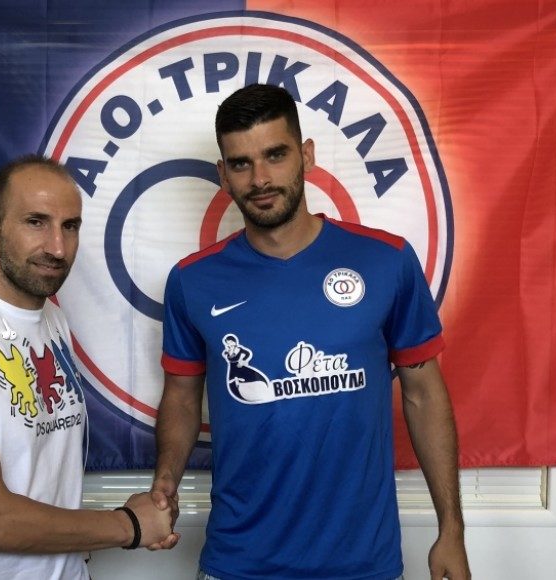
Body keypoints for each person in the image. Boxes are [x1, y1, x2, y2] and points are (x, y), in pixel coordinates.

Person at [151, 85, 470, 580]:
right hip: (238, 563)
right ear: (222, 175)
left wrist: (451, 528)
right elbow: (181, 398)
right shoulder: (192, 281)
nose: (260, 178)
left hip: (363, 565)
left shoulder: (386, 261)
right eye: (241, 163)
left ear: (306, 155)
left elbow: (424, 395)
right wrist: (165, 480)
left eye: (275, 155)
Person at [0, 155, 176, 579]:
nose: (58, 248)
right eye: (36, 222)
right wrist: (130, 525)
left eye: (70, 226)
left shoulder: (52, 320)